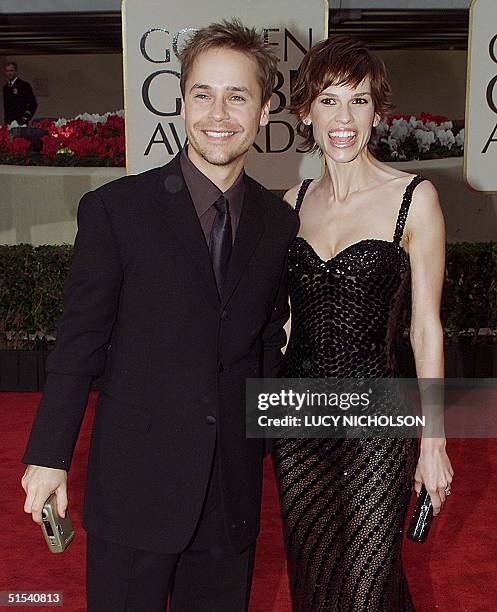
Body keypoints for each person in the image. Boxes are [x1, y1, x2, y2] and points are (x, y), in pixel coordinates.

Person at [21, 20, 299, 611]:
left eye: (237, 95)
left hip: (230, 496)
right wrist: (48, 456)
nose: (217, 113)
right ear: (180, 101)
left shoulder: (279, 226)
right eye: (202, 93)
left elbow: (265, 350)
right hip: (134, 490)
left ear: (265, 109)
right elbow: (79, 342)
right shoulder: (116, 211)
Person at [272, 35, 454, 611]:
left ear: (377, 111)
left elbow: (426, 327)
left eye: (359, 100)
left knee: (367, 589)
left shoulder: (413, 198)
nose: (343, 118)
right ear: (306, 111)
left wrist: (435, 440)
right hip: (296, 421)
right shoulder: (290, 203)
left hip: (379, 420)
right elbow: (282, 323)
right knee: (316, 582)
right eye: (329, 100)